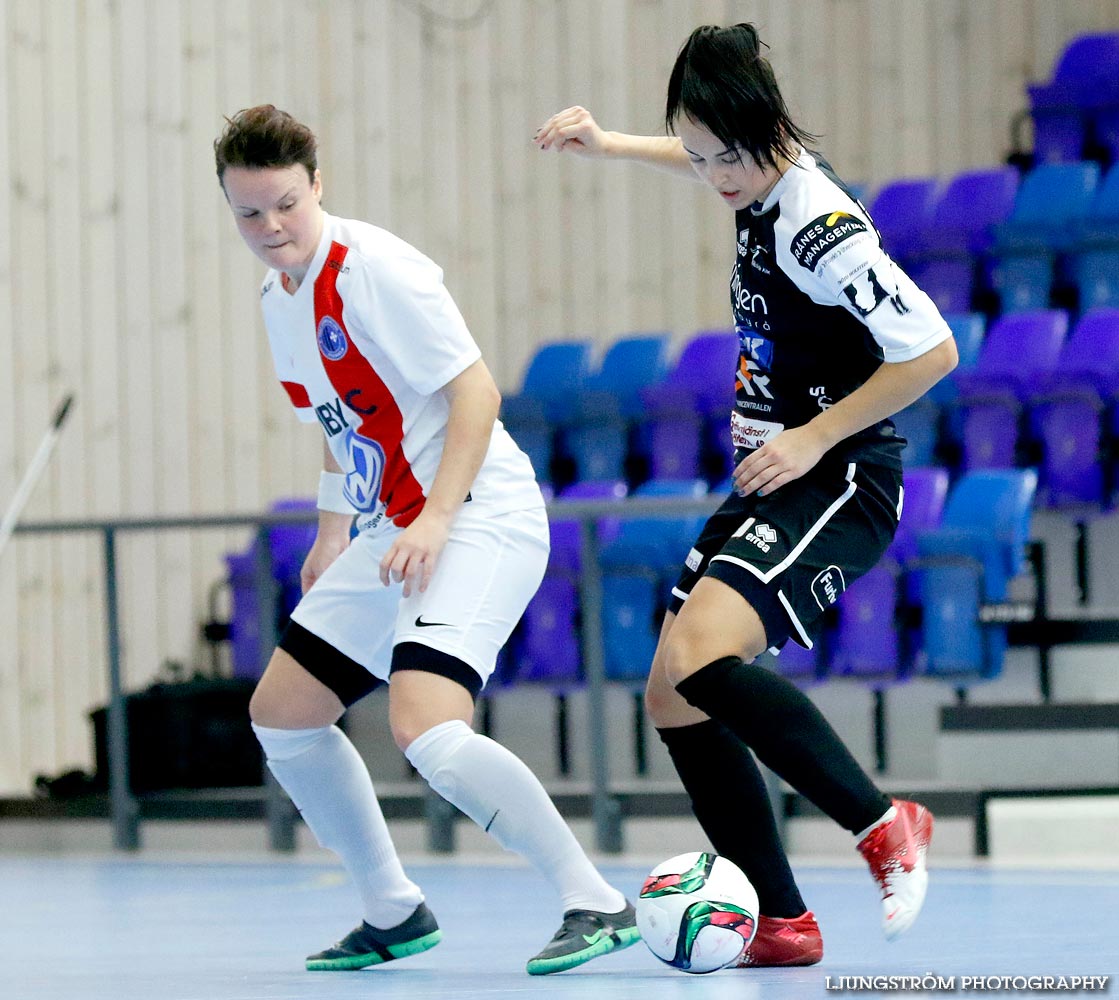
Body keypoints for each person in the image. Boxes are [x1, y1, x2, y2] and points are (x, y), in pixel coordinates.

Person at [535, 23, 956, 967]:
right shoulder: (751, 174)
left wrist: (811, 434)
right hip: (775, 477)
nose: (712, 174)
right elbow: (703, 158)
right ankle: (781, 917)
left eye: (726, 156)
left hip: (839, 476)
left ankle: (883, 823)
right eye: (695, 153)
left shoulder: (818, 226)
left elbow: (933, 350)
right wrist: (608, 144)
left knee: (697, 654)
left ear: (768, 131)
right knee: (671, 696)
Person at [213, 105, 640, 976]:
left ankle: (594, 900)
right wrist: (333, 529)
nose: (271, 228)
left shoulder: (376, 269)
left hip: (479, 513)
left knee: (426, 728)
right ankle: (392, 910)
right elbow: (336, 426)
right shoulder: (276, 298)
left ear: (317, 184)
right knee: (284, 715)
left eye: (285, 205)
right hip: (391, 528)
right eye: (249, 213)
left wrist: (438, 518)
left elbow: (475, 394)